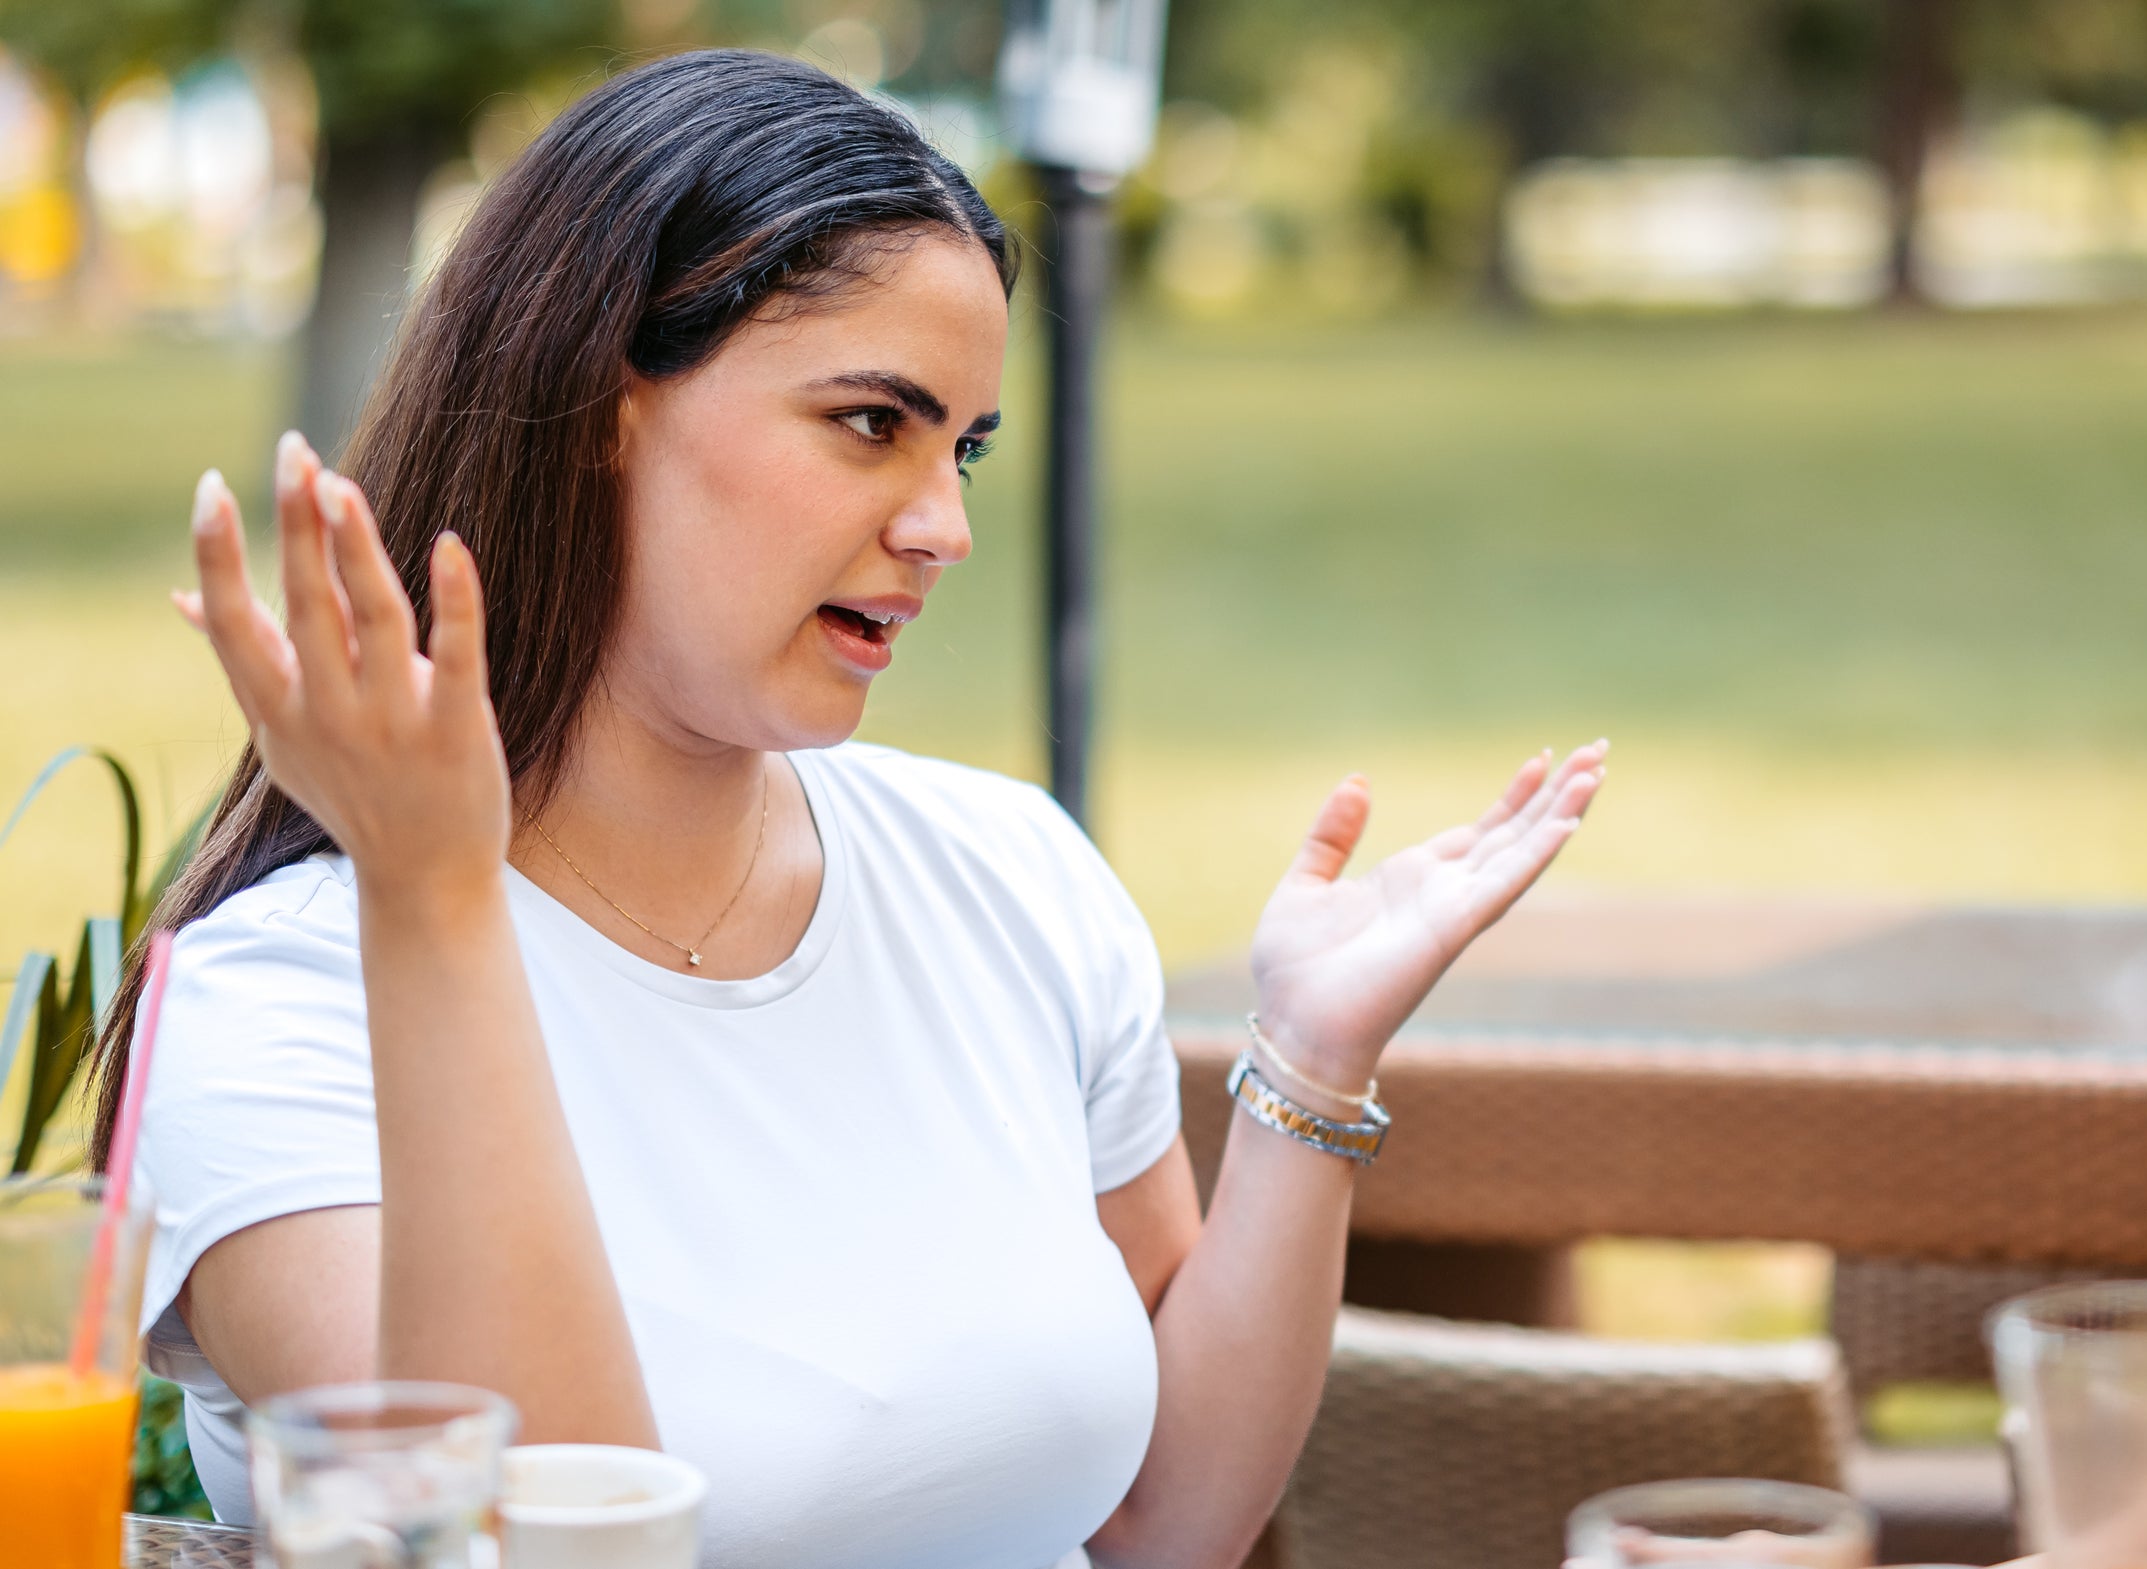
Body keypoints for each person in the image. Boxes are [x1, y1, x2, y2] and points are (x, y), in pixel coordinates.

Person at [100, 49, 1605, 1567]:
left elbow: (1162, 1522)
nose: (943, 524)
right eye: (872, 421)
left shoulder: (1006, 872)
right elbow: (546, 1544)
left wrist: (1310, 1069)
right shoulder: (282, 1011)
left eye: (965, 445)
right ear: (603, 404)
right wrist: (434, 900)